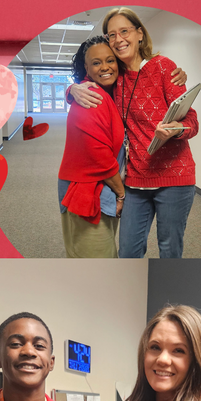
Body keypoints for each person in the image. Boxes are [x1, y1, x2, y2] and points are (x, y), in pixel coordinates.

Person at [69, 8, 199, 258]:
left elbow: (191, 119)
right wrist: (72, 90)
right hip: (135, 179)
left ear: (140, 33)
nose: (118, 39)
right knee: (128, 251)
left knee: (170, 251)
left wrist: (175, 130)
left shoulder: (164, 67)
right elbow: (88, 81)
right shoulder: (114, 75)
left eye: (124, 31)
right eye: (111, 35)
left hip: (174, 177)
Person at [58, 34, 127, 257]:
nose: (105, 67)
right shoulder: (91, 97)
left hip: (98, 189)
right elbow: (99, 157)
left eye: (110, 60)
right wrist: (121, 193)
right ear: (86, 67)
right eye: (96, 62)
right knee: (97, 264)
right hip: (86, 193)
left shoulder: (112, 94)